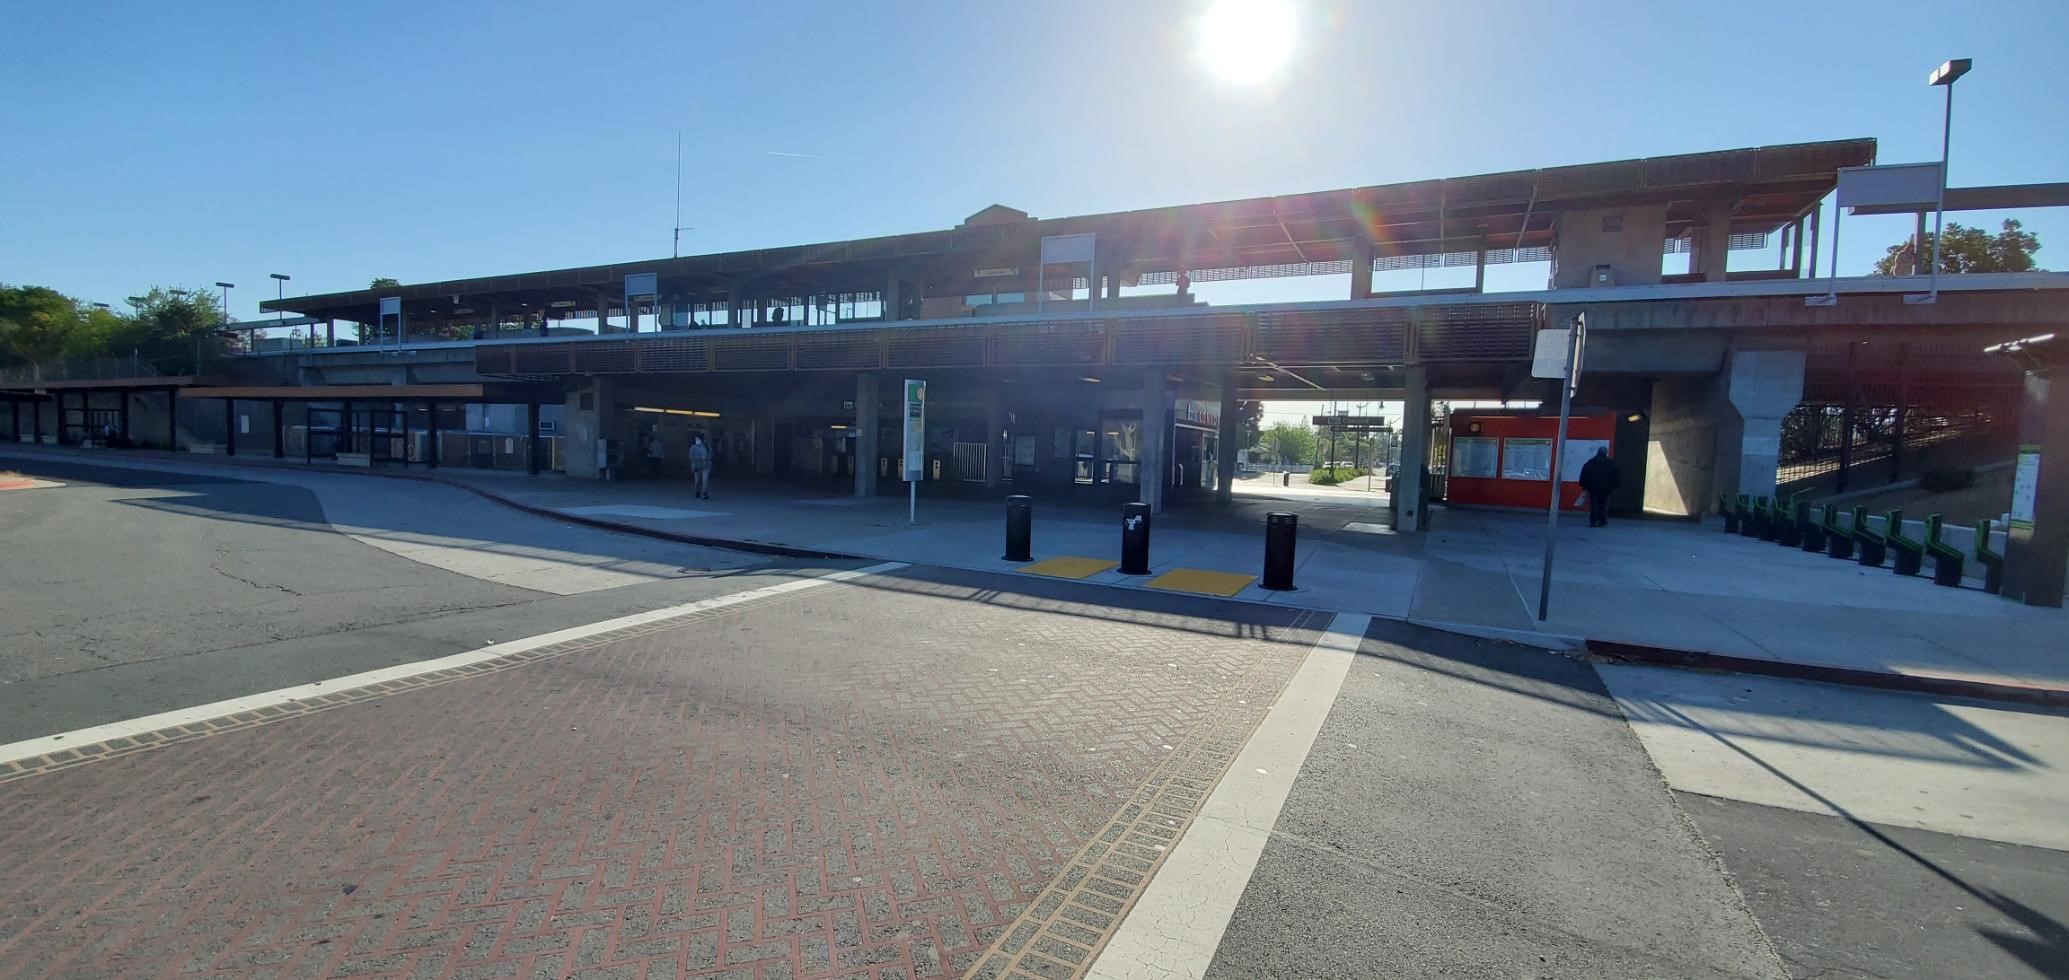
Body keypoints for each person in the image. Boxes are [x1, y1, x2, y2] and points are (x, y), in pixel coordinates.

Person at [1578, 446, 1620, 527]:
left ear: (1597, 452)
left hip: (1593, 487)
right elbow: (1616, 475)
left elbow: (1585, 473)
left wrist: (1583, 485)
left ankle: (1593, 521)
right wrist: (1615, 486)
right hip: (1605, 488)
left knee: (1594, 504)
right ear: (1606, 453)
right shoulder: (1610, 463)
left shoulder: (1591, 462)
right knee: (1603, 504)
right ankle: (1602, 520)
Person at [688, 434, 713, 500]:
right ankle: (697, 491)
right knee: (697, 480)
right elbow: (690, 456)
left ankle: (704, 493)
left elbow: (711, 455)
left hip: (706, 465)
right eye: (696, 439)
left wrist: (706, 458)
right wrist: (699, 458)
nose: (697, 441)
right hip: (697, 465)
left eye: (698, 439)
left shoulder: (707, 446)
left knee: (705, 479)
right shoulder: (693, 447)